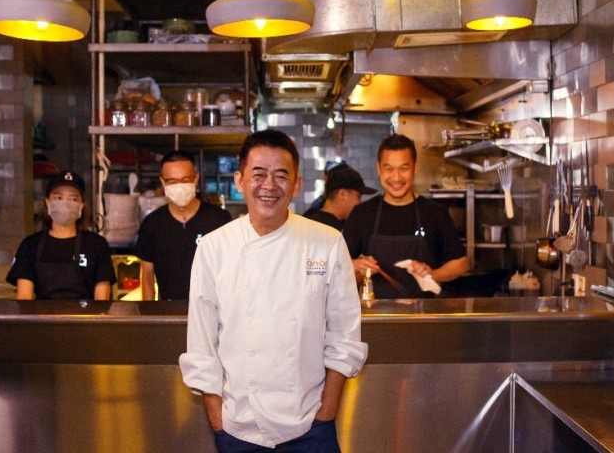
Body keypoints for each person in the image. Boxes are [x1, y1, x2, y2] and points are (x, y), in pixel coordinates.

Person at [180, 130, 368, 453]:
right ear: (239, 180)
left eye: (281, 175)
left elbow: (344, 336)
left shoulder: (327, 243)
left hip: (311, 427)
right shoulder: (214, 248)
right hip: (238, 428)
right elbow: (202, 345)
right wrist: (218, 421)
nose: (269, 185)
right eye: (258, 174)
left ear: (297, 184)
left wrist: (326, 412)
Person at [342, 134, 469, 299]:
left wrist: (433, 274)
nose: (396, 178)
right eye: (388, 169)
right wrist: (355, 266)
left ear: (415, 168)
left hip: (423, 312)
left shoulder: (435, 212)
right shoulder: (362, 214)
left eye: (403, 168)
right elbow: (338, 265)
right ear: (378, 169)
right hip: (375, 312)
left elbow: (460, 263)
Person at [134, 150, 232, 300]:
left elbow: (231, 271)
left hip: (213, 308)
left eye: (185, 180)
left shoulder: (219, 219)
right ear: (162, 182)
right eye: (172, 181)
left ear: (196, 178)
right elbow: (147, 276)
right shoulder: (152, 224)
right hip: (168, 309)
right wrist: (149, 311)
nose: (179, 186)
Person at [6, 170, 115, 300]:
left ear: (81, 205)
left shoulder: (97, 245)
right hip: (42, 313)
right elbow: (24, 298)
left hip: (85, 313)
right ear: (48, 203)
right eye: (58, 198)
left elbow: (102, 301)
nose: (65, 203)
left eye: (73, 199)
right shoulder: (30, 245)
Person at [309, 164, 377, 231]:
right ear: (342, 194)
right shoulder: (329, 230)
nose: (360, 202)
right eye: (358, 197)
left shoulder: (313, 223)